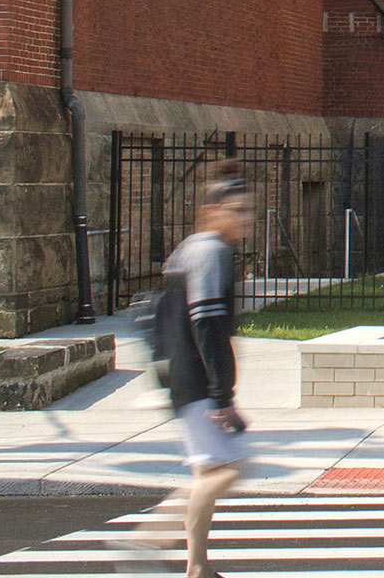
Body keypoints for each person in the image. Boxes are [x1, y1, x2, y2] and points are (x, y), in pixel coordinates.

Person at [150, 161, 253, 578]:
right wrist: (221, 395)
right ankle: (147, 535)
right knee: (231, 468)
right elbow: (207, 324)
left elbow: (162, 316)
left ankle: (197, 567)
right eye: (237, 210)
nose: (245, 219)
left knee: (207, 473)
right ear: (213, 211)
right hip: (197, 381)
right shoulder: (212, 251)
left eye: (248, 211)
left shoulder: (189, 248)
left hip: (182, 376)